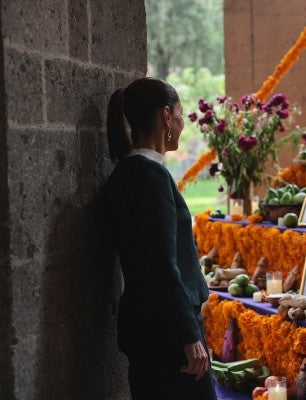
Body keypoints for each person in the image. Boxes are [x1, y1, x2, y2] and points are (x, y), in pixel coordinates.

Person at [102, 77, 216, 399]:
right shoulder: (150, 179)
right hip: (167, 333)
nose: (182, 123)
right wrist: (189, 336)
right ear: (166, 116)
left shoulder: (126, 173)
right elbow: (163, 267)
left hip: (149, 325)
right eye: (180, 114)